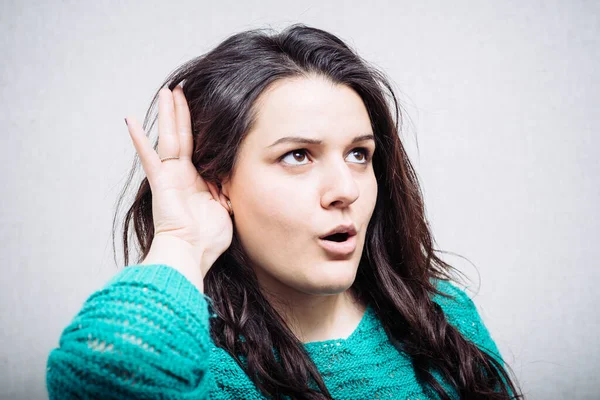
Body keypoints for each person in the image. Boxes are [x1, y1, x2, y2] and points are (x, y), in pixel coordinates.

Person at [46, 24, 523, 399]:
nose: (345, 190)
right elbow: (102, 379)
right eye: (298, 155)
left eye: (359, 154)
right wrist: (181, 241)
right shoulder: (195, 362)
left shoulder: (442, 318)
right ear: (219, 185)